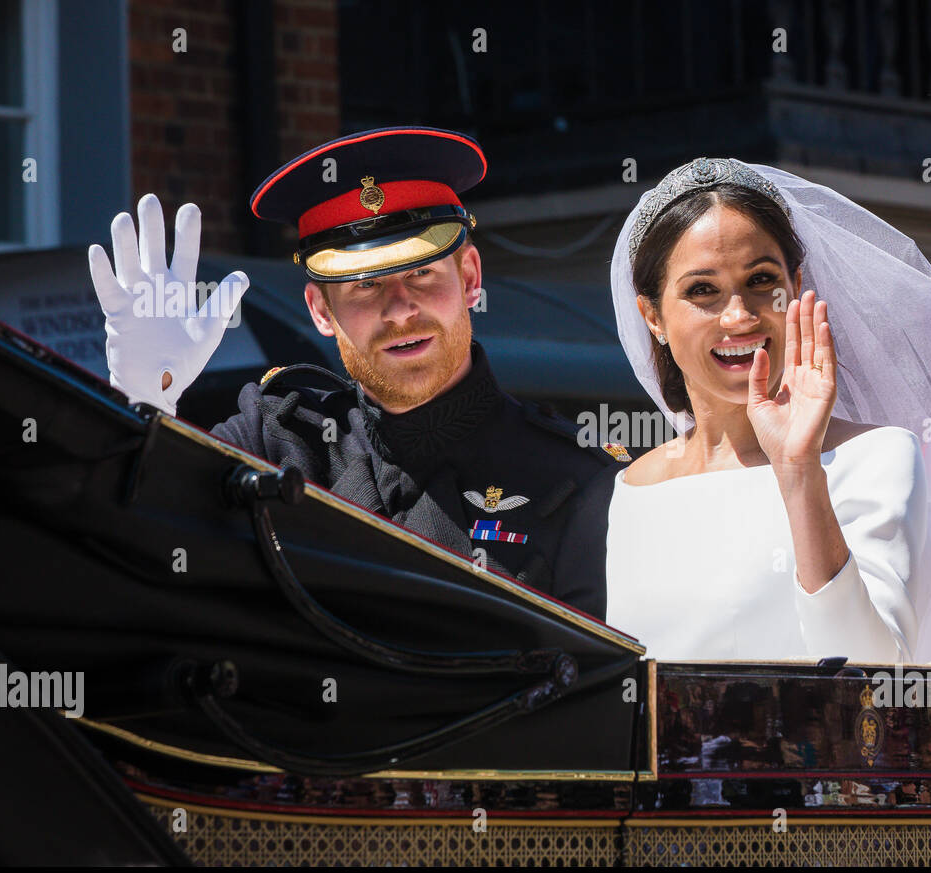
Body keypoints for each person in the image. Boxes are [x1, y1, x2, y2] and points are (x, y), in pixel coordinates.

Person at [88, 126, 620, 617]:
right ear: (321, 309)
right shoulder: (274, 441)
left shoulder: (575, 478)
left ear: (470, 278)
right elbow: (135, 553)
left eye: (421, 272)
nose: (400, 309)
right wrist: (144, 405)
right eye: (364, 285)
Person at [593, 158, 931, 664]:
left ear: (795, 286)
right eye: (702, 291)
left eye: (761, 280)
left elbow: (870, 672)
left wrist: (799, 473)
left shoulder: (877, 456)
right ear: (653, 316)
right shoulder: (633, 488)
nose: (739, 316)